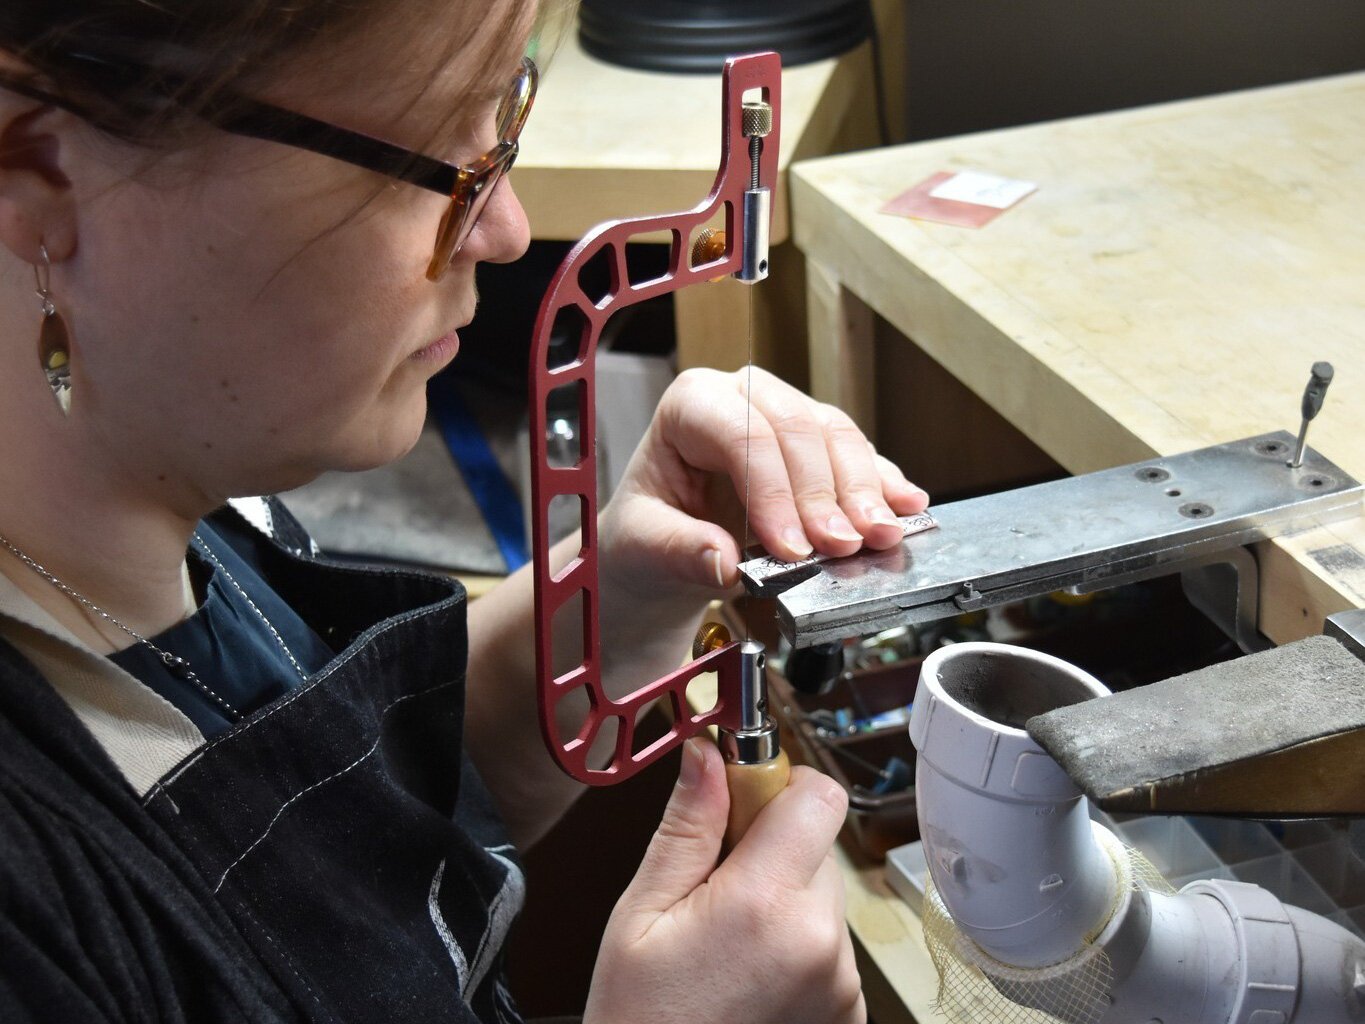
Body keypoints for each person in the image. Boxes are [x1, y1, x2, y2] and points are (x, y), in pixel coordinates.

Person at [0, 1, 930, 1021]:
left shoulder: (173, 500)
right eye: (440, 157)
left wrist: (612, 596)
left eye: (508, 114)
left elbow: (348, 822)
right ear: (43, 179)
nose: (507, 227)